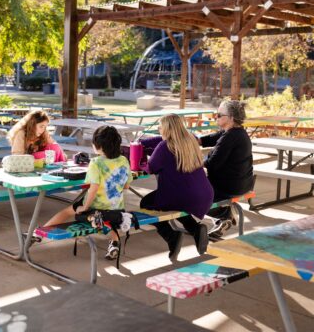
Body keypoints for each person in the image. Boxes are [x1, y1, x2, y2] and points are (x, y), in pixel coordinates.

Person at [43, 126, 131, 261]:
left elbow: (93, 189)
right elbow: (126, 186)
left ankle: (40, 233)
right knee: (108, 220)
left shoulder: (96, 163)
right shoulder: (124, 160)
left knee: (69, 211)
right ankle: (114, 244)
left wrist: (84, 207)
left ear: (98, 145)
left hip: (96, 207)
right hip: (117, 210)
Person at [139, 114, 214, 260]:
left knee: (145, 204)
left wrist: (140, 161)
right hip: (204, 193)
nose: (158, 129)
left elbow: (150, 168)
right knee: (178, 206)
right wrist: (142, 143)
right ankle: (196, 229)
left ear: (167, 128)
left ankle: (171, 235)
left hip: (181, 195)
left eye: (160, 126)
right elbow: (156, 141)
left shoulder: (164, 147)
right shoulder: (190, 140)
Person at [200, 100, 253, 238]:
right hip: (242, 183)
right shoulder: (237, 132)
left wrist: (190, 163)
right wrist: (196, 140)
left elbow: (212, 164)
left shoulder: (230, 136)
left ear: (231, 118)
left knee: (190, 193)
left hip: (229, 187)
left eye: (218, 115)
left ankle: (223, 216)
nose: (215, 117)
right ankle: (223, 217)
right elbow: (213, 138)